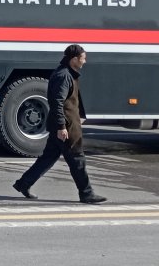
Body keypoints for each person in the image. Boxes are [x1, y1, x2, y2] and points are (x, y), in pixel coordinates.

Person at [12, 44, 107, 204]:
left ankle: (23, 184)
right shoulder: (63, 76)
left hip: (67, 123)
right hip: (67, 127)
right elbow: (57, 103)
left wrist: (80, 115)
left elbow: (70, 100)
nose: (85, 62)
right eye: (83, 58)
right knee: (77, 160)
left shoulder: (68, 73)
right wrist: (62, 127)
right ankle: (86, 193)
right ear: (74, 59)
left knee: (48, 158)